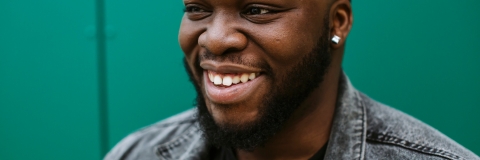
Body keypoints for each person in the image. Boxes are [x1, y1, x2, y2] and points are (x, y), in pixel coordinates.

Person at [104, 0, 479, 159]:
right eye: (197, 9)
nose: (214, 38)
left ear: (337, 22)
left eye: (258, 10)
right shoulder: (138, 154)